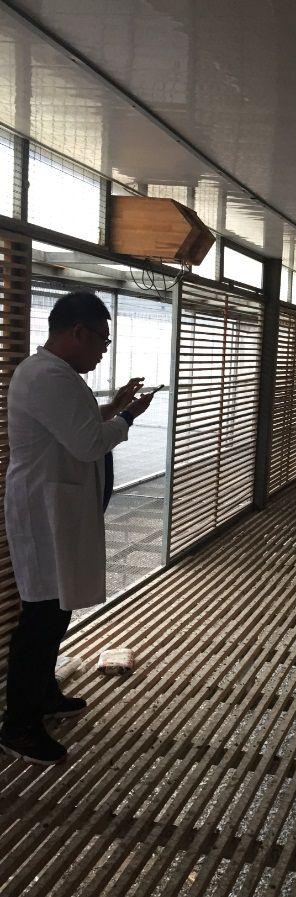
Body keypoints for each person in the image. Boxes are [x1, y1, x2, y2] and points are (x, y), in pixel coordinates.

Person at [0, 291, 154, 765]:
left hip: (57, 512)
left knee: (56, 611)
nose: (104, 350)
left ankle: (44, 694)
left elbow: (77, 425)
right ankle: (19, 726)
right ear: (78, 332)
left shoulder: (57, 375)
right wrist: (127, 417)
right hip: (43, 515)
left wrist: (114, 405)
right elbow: (88, 443)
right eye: (102, 341)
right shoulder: (46, 376)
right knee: (40, 620)